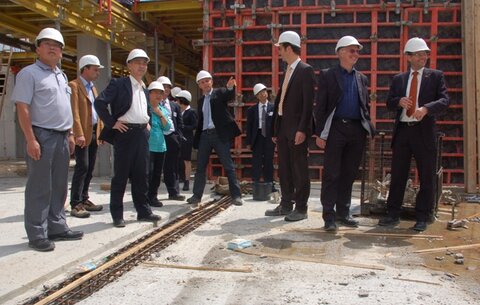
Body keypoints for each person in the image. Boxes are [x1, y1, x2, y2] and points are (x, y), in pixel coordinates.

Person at [12, 27, 83, 251]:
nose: (53, 48)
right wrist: (31, 139)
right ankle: (37, 233)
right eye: (48, 44)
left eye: (58, 45)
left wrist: (70, 133)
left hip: (62, 136)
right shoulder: (29, 73)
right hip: (42, 135)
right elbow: (22, 108)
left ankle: (57, 226)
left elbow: (65, 108)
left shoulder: (61, 76)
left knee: (60, 185)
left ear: (62, 51)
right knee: (40, 186)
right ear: (38, 48)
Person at [378, 37, 449, 232]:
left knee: (427, 175)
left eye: (425, 54)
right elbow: (389, 102)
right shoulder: (399, 79)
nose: (422, 58)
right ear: (408, 57)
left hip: (424, 132)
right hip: (403, 132)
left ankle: (422, 217)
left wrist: (426, 108)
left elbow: (444, 100)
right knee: (398, 174)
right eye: (418, 55)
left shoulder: (435, 76)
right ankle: (392, 214)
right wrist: (398, 101)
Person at [313, 36, 375, 231]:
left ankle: (343, 212)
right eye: (351, 50)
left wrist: (367, 128)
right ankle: (329, 217)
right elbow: (320, 106)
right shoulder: (328, 75)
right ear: (340, 52)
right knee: (332, 174)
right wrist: (319, 134)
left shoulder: (362, 78)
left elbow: (365, 105)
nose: (355, 54)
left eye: (357, 51)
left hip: (356, 130)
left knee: (348, 174)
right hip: (335, 129)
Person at [95, 48, 161, 228]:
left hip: (141, 134)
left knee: (142, 175)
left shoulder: (144, 88)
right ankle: (117, 215)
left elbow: (143, 108)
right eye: (138, 62)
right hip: (125, 133)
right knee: (121, 176)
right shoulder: (119, 84)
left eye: (144, 63)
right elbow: (100, 102)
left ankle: (143, 211)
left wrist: (147, 123)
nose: (142, 66)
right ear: (129, 65)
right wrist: (111, 123)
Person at [264, 31, 315, 221]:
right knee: (284, 167)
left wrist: (302, 129)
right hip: (284, 127)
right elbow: (281, 103)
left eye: (280, 49)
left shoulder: (305, 70)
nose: (279, 52)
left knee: (299, 168)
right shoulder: (288, 70)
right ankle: (286, 204)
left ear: (288, 48)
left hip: (297, 129)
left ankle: (301, 207)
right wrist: (276, 130)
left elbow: (308, 104)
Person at [187, 70, 244, 206]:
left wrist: (230, 87)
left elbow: (228, 94)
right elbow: (201, 121)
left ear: (211, 82)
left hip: (218, 135)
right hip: (205, 136)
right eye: (202, 82)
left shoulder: (219, 93)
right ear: (199, 85)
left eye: (207, 80)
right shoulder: (200, 101)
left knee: (228, 166)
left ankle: (236, 196)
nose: (205, 83)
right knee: (200, 167)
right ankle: (196, 196)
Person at [69, 55, 105, 218]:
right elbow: (74, 111)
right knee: (82, 166)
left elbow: (97, 111)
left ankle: (84, 199)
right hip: (82, 133)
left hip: (93, 132)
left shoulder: (93, 87)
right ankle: (76, 203)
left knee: (89, 167)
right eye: (95, 69)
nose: (97, 73)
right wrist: (78, 134)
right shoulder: (74, 86)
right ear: (85, 69)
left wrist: (101, 133)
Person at [156, 76, 185, 201]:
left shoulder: (174, 106)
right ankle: (151, 195)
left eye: (168, 87)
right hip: (157, 139)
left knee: (172, 167)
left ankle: (173, 192)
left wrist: (178, 137)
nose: (166, 89)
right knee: (155, 167)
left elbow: (179, 123)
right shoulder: (152, 104)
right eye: (164, 87)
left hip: (171, 138)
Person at [246, 83, 276, 192]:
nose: (263, 94)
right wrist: (248, 142)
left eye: (264, 91)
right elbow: (249, 127)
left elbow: (276, 124)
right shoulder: (252, 110)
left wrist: (275, 136)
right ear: (256, 96)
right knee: (256, 161)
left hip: (269, 137)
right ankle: (256, 184)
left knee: (269, 161)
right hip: (257, 137)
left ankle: (270, 184)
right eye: (260, 93)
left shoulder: (274, 107)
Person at [146, 81, 172, 207]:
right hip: (147, 146)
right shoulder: (144, 107)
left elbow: (167, 127)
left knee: (156, 174)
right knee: (147, 173)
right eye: (155, 92)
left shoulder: (162, 110)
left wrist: (159, 114)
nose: (158, 95)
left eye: (160, 93)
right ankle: (143, 197)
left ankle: (153, 197)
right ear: (149, 93)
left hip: (160, 146)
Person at [176, 90, 198, 191]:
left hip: (187, 139)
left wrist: (183, 127)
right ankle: (177, 179)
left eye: (178, 100)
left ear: (182, 100)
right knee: (177, 159)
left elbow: (195, 125)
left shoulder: (191, 112)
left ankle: (187, 181)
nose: (176, 102)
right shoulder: (178, 112)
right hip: (178, 138)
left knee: (186, 160)